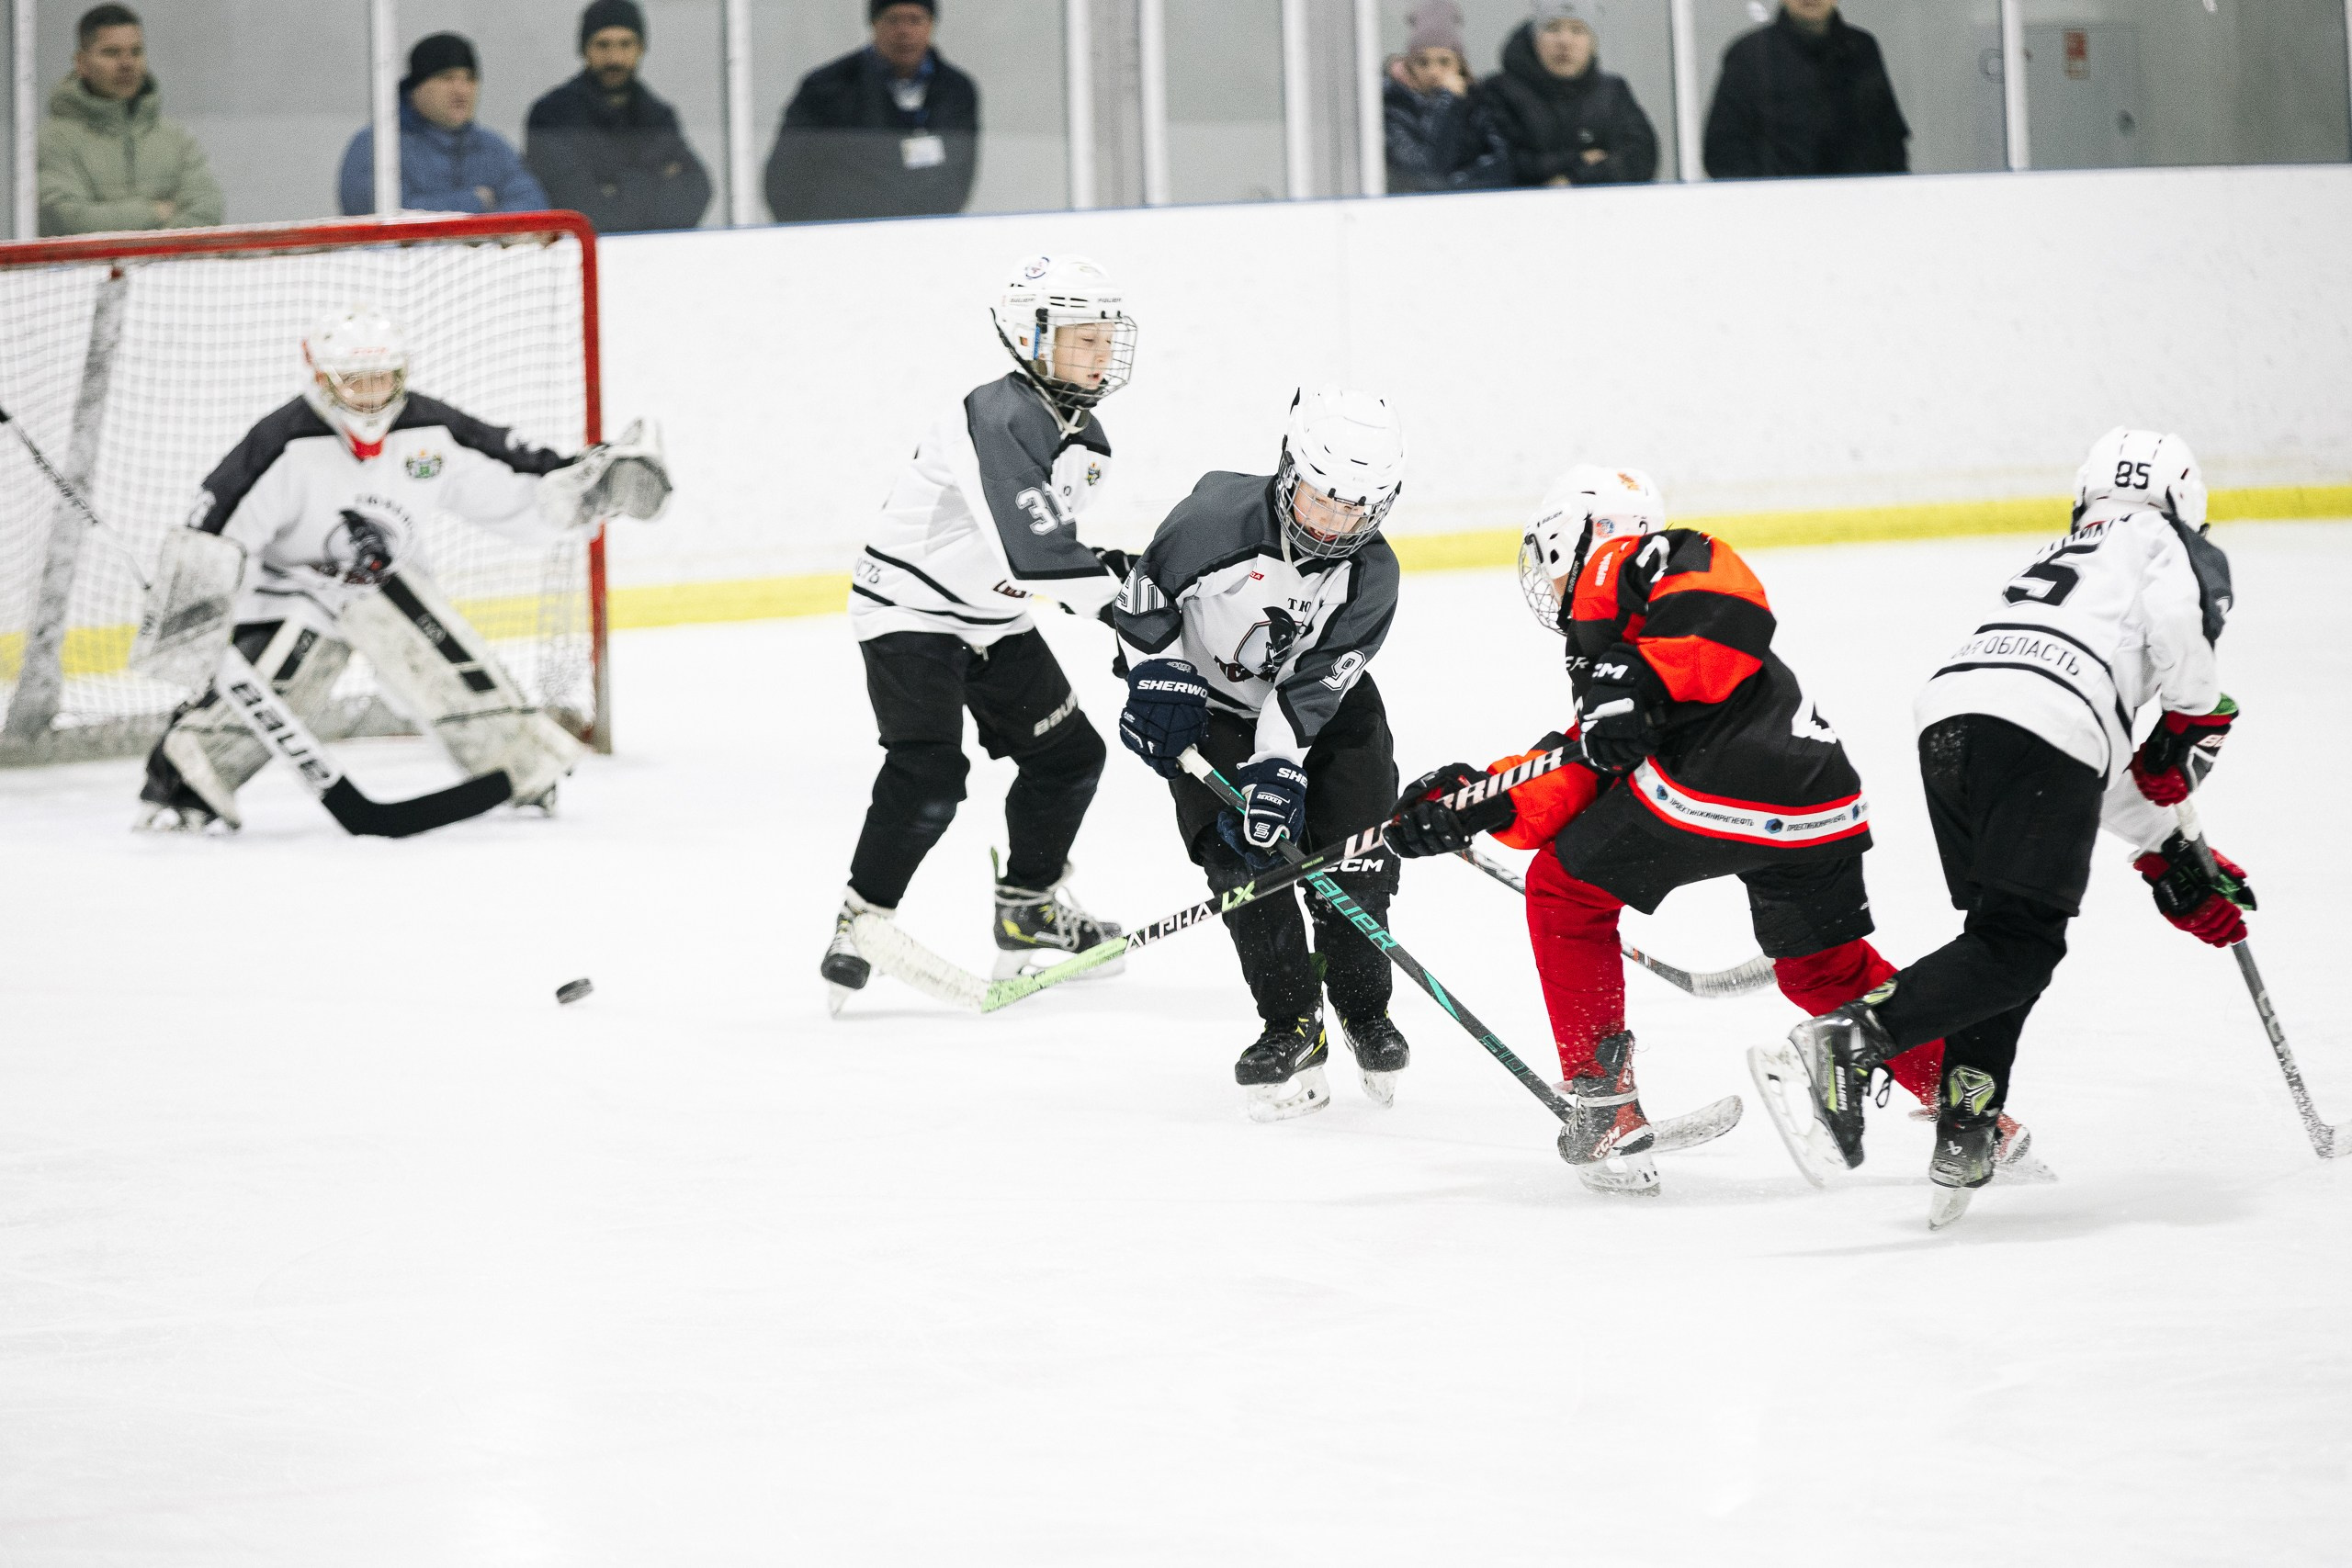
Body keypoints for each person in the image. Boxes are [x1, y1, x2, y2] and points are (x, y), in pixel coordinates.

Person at [1384, 467, 2032, 1196]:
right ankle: (1976, 1116)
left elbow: (1726, 590)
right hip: (1821, 801)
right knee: (1826, 970)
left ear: (1583, 533)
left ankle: (1605, 1106)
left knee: (1565, 893)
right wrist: (1476, 803)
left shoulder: (1624, 565)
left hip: (1716, 780)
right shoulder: (1629, 645)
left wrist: (1641, 682)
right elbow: (1588, 763)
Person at [1770, 429, 2247, 1228]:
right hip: (2046, 721)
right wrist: (2192, 715)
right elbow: (2146, 672)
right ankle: (1851, 1040)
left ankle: (1969, 1117)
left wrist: (2167, 848)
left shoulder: (2068, 550)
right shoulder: (2163, 542)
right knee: (2020, 943)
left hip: (1952, 719)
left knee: (2000, 938)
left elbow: (2087, 761)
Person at [135, 308, 668, 834]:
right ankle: (181, 784)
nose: (370, 393)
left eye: (382, 378)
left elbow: (518, 476)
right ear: (321, 379)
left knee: (442, 652)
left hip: (383, 585)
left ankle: (518, 768)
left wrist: (586, 485)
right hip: (285, 593)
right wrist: (193, 605)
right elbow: (215, 534)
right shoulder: (281, 443)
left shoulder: (429, 430)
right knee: (278, 666)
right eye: (354, 380)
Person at [820, 255, 1137, 1012]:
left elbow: (1044, 555)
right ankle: (857, 920)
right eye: (1080, 340)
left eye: (1105, 340)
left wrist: (1126, 585)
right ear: (1031, 338)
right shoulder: (994, 415)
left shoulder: (1083, 434)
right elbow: (1033, 553)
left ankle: (1028, 908)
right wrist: (1131, 609)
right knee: (928, 773)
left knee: (1069, 758)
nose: (1100, 356)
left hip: (991, 614)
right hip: (910, 611)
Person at [1112, 389, 1412, 1122]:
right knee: (1243, 864)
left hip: (1327, 718)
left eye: (1356, 511)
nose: (1334, 524)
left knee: (1359, 857)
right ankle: (1290, 1019)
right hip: (1213, 711)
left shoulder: (1374, 574)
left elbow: (1316, 686)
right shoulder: (1211, 519)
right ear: (1287, 470)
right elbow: (1143, 601)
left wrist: (1279, 762)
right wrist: (1157, 674)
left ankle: (1361, 1005)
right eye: (1319, 500)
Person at [765, 1, 980, 224]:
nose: (904, 31)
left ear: (931, 25)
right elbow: (785, 179)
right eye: (893, 19)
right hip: (847, 235)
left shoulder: (957, 90)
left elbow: (958, 174)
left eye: (915, 20)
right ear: (874, 24)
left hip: (926, 236)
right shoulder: (828, 88)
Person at [526, 0, 713, 233]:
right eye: (603, 45)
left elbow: (696, 188)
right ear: (585, 49)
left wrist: (614, 188)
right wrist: (654, 182)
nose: (615, 58)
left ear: (640, 48)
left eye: (625, 44)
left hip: (657, 255)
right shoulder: (551, 116)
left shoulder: (658, 116)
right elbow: (579, 209)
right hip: (580, 258)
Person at [38, 4, 223, 236]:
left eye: (136, 52)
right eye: (111, 52)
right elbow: (69, 220)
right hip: (83, 272)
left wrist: (151, 250)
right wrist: (155, 212)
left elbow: (208, 208)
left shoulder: (174, 137)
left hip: (169, 269)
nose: (127, 64)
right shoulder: (52, 140)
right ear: (81, 63)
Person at [338, 34, 548, 217]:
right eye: (447, 78)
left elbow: (533, 204)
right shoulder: (378, 146)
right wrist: (477, 201)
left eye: (470, 79)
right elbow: (381, 215)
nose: (462, 91)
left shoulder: (493, 148)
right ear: (417, 88)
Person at [1702, 0, 1908, 179]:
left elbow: (1890, 139)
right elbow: (1722, 151)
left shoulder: (1862, 50)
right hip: (1775, 213)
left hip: (1858, 209)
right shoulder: (1750, 55)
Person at [1479, 1, 1657, 189]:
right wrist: (1577, 159)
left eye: (1578, 30)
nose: (1565, 41)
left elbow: (1640, 157)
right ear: (1534, 38)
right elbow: (1500, 164)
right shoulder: (1499, 93)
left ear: (1593, 44)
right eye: (1553, 28)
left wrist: (1575, 180)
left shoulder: (1613, 93)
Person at [1383, 2, 1510, 194]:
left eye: (1444, 61)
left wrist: (1457, 188)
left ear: (1459, 65)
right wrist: (1448, 101)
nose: (1434, 72)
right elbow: (1428, 170)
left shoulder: (1480, 105)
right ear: (1409, 66)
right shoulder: (1395, 109)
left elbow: (1502, 164)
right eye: (1422, 62)